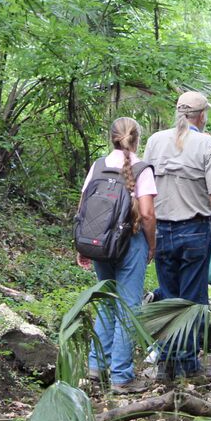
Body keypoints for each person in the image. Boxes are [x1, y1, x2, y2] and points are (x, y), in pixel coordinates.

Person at [143, 91, 211, 380]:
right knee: (194, 301)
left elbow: (145, 187)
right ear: (201, 116)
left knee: (169, 297)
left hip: (161, 231)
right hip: (194, 230)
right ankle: (188, 365)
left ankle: (166, 363)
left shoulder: (155, 141)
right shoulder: (207, 144)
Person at [76, 117, 156, 393]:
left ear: (111, 137)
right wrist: (152, 244)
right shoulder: (142, 168)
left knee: (107, 302)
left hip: (101, 243)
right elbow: (146, 213)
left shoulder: (98, 166)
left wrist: (83, 245)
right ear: (137, 139)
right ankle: (122, 376)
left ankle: (96, 366)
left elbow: (84, 207)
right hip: (130, 242)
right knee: (128, 306)